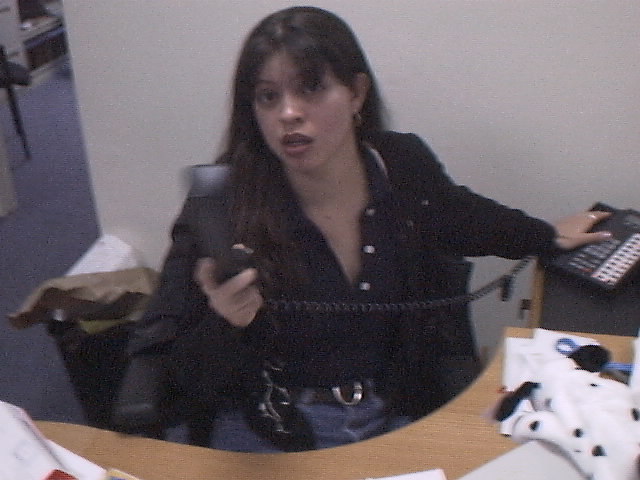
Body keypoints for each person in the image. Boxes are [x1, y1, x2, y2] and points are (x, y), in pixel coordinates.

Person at [127, 6, 611, 452]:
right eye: (268, 97)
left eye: (310, 88)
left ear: (356, 93)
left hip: (392, 410)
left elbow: (464, 216)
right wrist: (227, 321)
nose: (288, 113)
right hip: (274, 429)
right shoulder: (224, 207)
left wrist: (545, 236)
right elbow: (179, 374)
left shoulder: (400, 165)